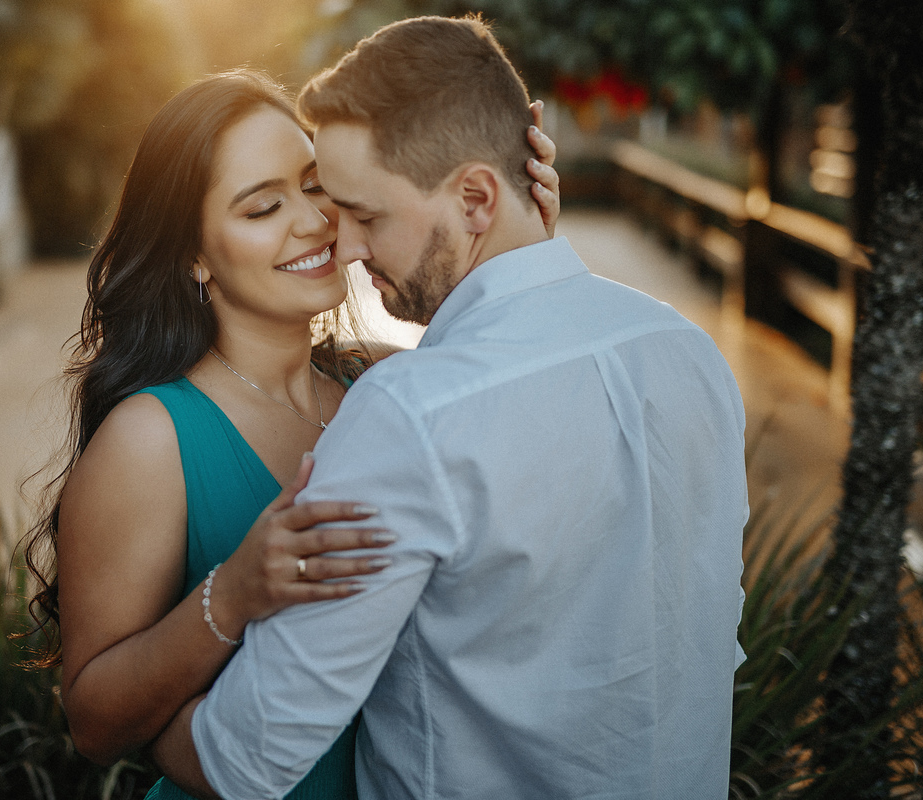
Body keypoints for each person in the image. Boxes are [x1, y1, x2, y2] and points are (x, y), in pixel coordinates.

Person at [151, 15, 749, 800]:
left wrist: (129, 722)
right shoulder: (687, 353)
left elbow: (245, 758)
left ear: (476, 196)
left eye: (367, 215)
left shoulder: (409, 414)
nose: (349, 248)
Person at [21, 68, 562, 799]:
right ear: (194, 255)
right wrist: (235, 594)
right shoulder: (151, 439)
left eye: (314, 184)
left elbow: (532, 389)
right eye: (262, 207)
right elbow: (93, 723)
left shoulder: (386, 383)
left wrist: (516, 240)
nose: (312, 221)